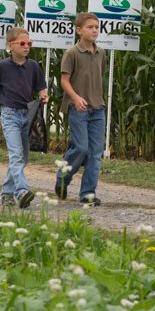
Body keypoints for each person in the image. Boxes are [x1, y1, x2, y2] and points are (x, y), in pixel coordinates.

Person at [0, 26, 48, 209]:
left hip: (28, 114)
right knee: (16, 155)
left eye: (29, 43)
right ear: (11, 46)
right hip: (9, 115)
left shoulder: (33, 66)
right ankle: (22, 191)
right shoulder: (2, 66)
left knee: (22, 158)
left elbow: (40, 85)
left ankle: (7, 193)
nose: (27, 47)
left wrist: (43, 95)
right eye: (22, 43)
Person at [53, 11, 107, 206]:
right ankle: (63, 177)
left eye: (96, 27)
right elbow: (64, 81)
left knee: (95, 153)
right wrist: (76, 98)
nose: (94, 30)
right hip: (78, 109)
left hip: (98, 109)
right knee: (81, 148)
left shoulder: (101, 53)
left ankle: (87, 194)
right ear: (79, 30)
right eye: (90, 27)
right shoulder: (71, 54)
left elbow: (99, 75)